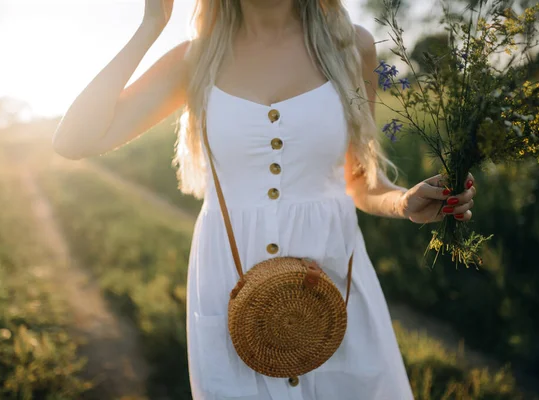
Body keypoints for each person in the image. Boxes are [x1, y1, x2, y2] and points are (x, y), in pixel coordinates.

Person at [52, 0, 477, 399]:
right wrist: (150, 27)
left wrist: (403, 202)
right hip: (230, 292)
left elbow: (363, 182)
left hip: (335, 287)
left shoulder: (350, 47)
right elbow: (74, 140)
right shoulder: (196, 60)